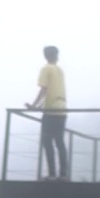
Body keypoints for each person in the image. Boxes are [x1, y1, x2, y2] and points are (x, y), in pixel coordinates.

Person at [27, 45, 69, 181]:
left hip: (50, 110)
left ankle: (52, 174)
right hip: (62, 108)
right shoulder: (60, 70)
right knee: (60, 142)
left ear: (45, 56)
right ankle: (63, 174)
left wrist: (34, 106)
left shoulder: (46, 69)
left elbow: (44, 90)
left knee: (47, 141)